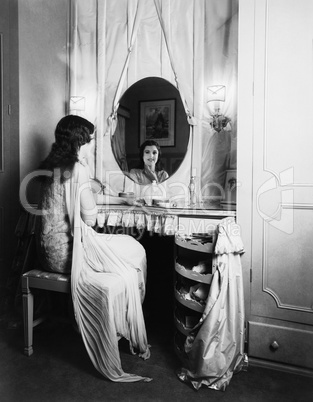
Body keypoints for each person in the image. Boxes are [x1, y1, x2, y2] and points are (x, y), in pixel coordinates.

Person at [36, 115, 151, 382]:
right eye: (90, 140)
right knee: (135, 249)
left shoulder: (53, 165)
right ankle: (123, 327)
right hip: (67, 253)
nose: (93, 144)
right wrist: (90, 189)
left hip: (46, 251)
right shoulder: (78, 168)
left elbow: (73, 200)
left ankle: (121, 325)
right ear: (79, 142)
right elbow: (90, 219)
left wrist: (93, 190)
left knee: (126, 250)